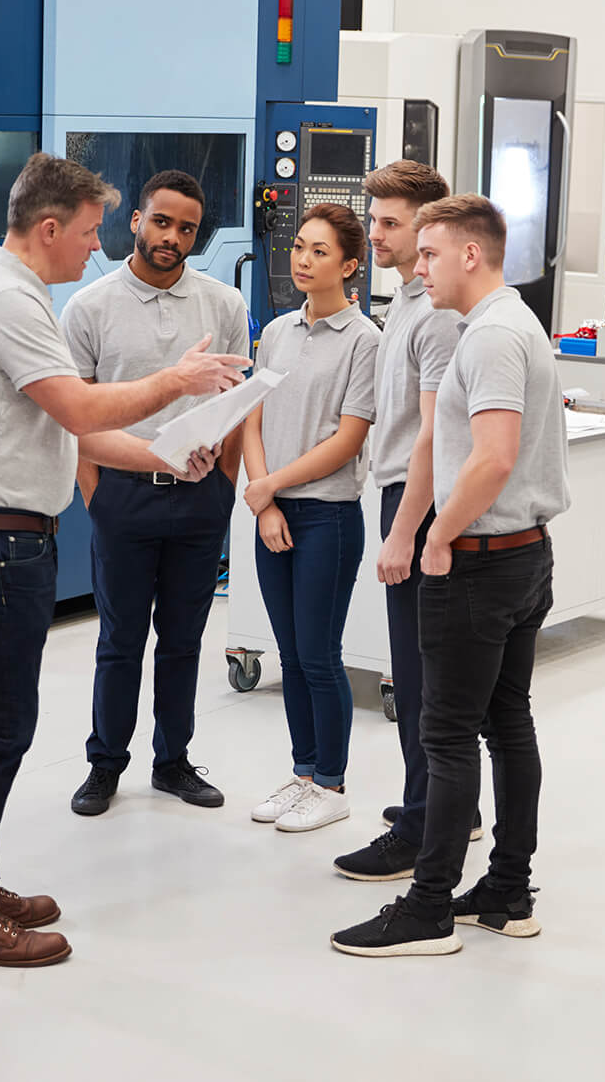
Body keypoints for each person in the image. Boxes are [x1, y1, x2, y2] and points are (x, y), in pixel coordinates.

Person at [0, 152, 246, 968]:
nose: (99, 247)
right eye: (95, 230)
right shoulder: (9, 301)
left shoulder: (14, 294)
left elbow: (71, 429)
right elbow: (79, 404)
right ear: (50, 227)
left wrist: (163, 461)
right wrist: (176, 382)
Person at [332, 194, 570, 957]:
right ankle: (505, 888)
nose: (416, 265)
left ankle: (428, 905)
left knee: (445, 735)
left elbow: (493, 456)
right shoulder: (503, 323)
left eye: (429, 253)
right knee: (506, 724)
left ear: (471, 254)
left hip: (483, 563)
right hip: (521, 556)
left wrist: (436, 533)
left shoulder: (492, 336)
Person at [60, 170, 250, 818]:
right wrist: (97, 499)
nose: (171, 236)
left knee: (183, 640)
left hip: (199, 502)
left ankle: (171, 762)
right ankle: (104, 763)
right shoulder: (89, 308)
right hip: (122, 498)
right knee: (119, 640)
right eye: (161, 221)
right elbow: (74, 417)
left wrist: (223, 485)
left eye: (187, 228)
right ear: (136, 220)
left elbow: (236, 403)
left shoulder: (223, 305)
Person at [329, 160, 482, 882]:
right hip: (402, 493)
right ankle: (447, 807)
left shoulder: (438, 317)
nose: (377, 233)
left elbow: (432, 436)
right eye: (376, 220)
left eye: (391, 223)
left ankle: (424, 827)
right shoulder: (406, 304)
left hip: (416, 503)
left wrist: (401, 532)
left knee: (422, 680)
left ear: (430, 227)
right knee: (422, 673)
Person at [242, 203, 381, 834]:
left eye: (320, 251)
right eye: (300, 246)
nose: (303, 259)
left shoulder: (365, 341)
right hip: (272, 513)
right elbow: (252, 417)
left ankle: (332, 783)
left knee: (320, 654)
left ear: (350, 266)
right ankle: (303, 776)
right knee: (289, 656)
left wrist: (271, 484)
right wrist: (264, 500)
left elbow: (349, 438)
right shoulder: (275, 333)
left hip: (327, 516)